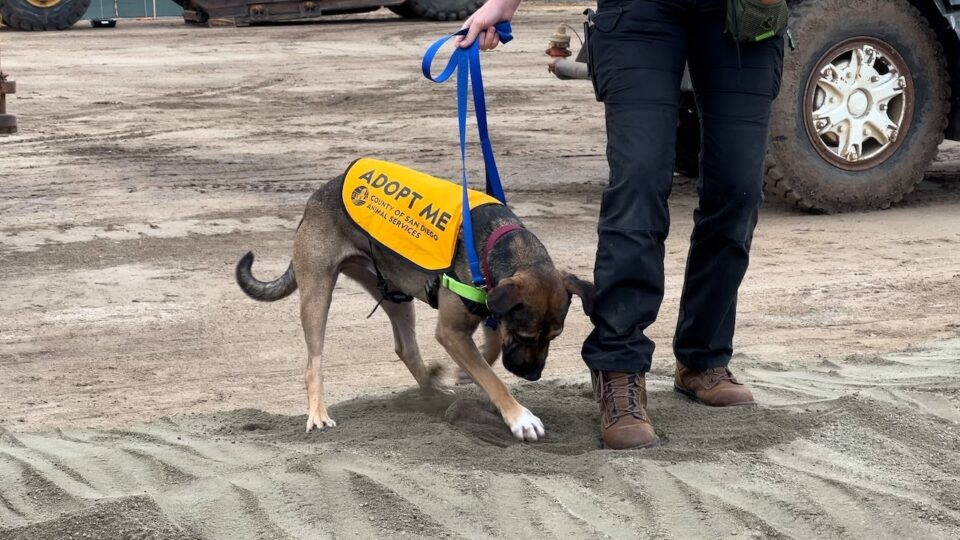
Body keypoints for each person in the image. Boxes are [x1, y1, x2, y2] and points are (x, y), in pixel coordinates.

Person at [459, 0, 784, 449]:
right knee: (639, 182)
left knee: (738, 190)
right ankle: (619, 370)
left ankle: (703, 358)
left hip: (743, 12)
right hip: (641, 10)